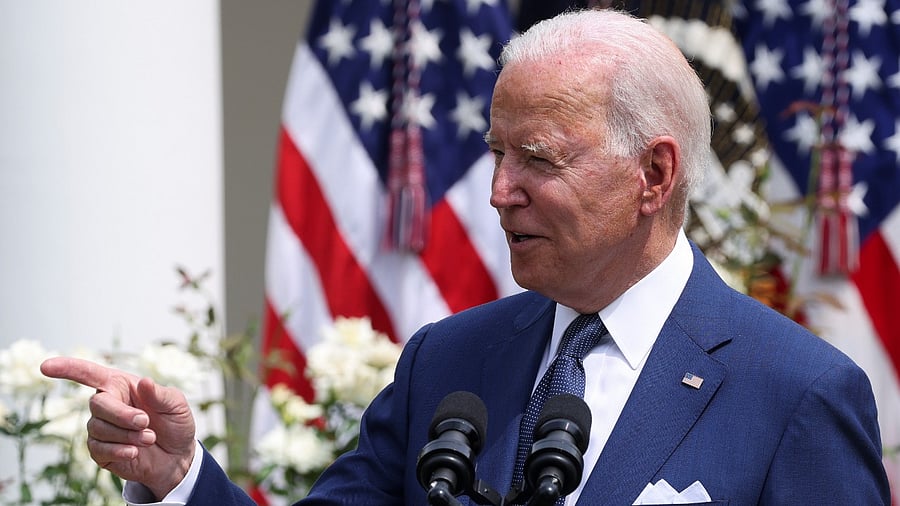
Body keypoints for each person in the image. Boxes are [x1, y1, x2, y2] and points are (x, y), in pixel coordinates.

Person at [41, 8, 890, 505]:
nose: (498, 191)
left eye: (539, 160)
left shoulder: (798, 394)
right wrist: (177, 475)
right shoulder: (447, 362)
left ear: (654, 173)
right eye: (496, 155)